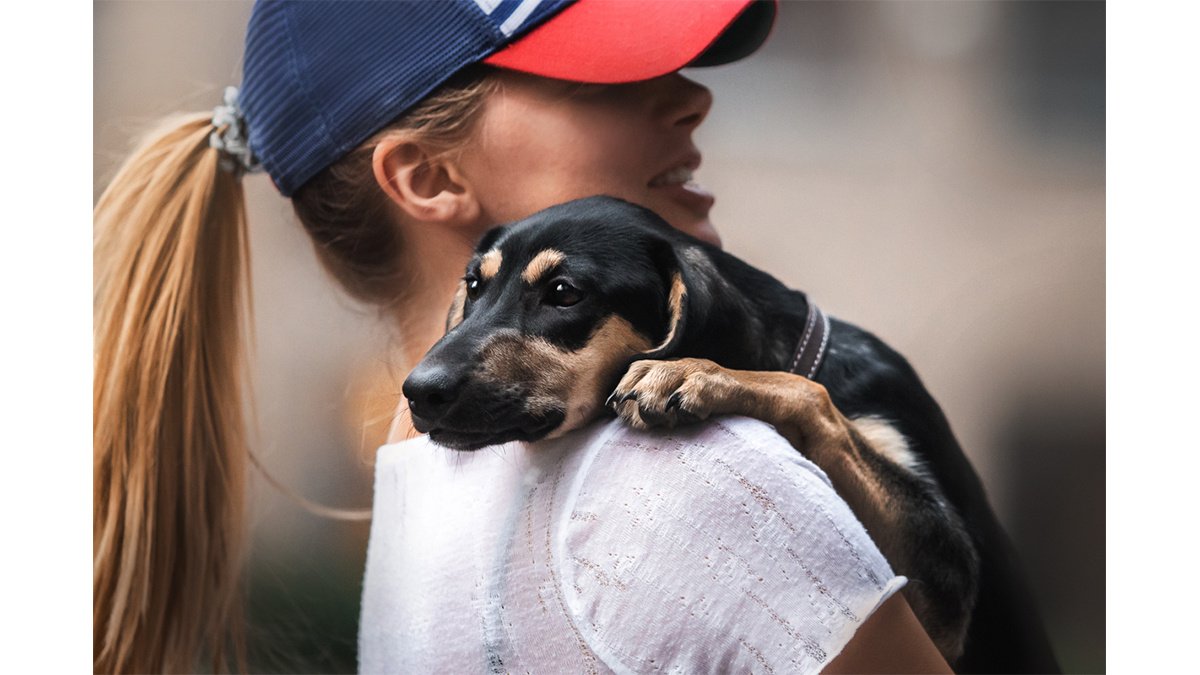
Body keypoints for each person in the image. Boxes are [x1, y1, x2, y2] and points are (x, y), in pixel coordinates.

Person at [93, 1, 949, 672]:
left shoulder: (415, 492)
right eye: (599, 76)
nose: (693, 96)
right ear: (427, 176)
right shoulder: (696, 475)